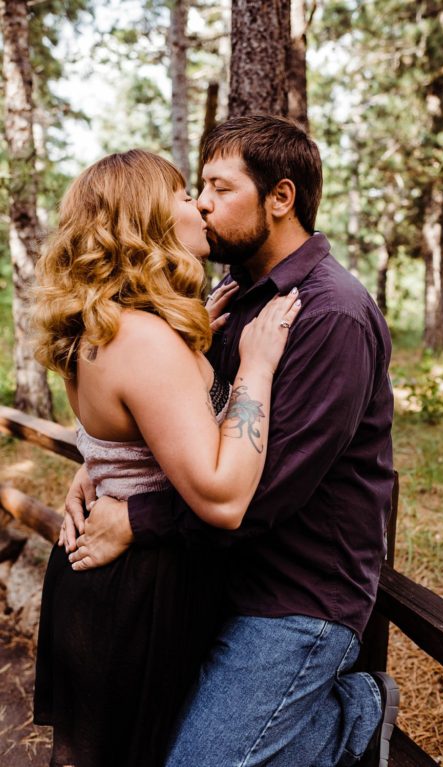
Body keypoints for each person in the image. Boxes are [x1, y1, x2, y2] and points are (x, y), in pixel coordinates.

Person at [59, 115, 398, 767]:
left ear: (280, 198)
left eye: (218, 186)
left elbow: (263, 491)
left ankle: (358, 709)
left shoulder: (328, 313)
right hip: (216, 575)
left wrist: (136, 514)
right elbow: (178, 416)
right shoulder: (233, 295)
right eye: (197, 189)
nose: (204, 203)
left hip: (297, 593)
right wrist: (105, 468)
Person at [31, 148, 302, 766]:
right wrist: (254, 371)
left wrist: (192, 341)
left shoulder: (105, 325)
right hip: (141, 590)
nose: (200, 205)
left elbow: (125, 434)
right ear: (146, 220)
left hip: (105, 581)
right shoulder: (144, 339)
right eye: (183, 195)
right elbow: (224, 495)